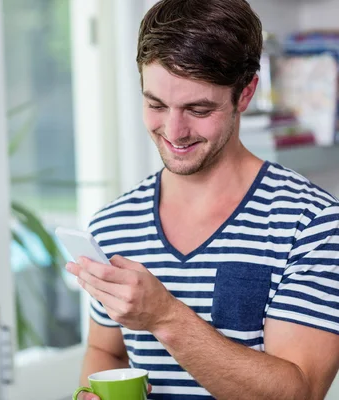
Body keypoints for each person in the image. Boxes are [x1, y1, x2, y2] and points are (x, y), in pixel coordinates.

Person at [65, 0, 339, 399]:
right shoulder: (113, 224)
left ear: (245, 94)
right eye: (156, 104)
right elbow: (106, 350)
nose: (174, 131)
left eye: (198, 108)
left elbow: (300, 392)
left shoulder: (312, 224)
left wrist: (164, 316)